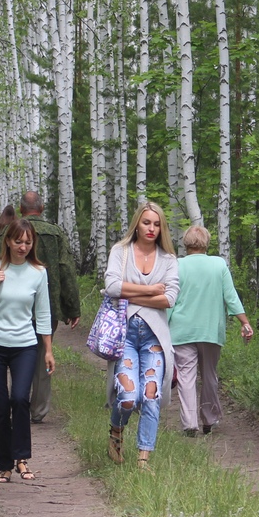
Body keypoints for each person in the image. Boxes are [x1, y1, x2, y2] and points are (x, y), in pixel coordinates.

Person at [0, 218, 54, 482]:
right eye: (18, 241)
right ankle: (4, 465)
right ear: (8, 241)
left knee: (20, 399)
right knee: (0, 405)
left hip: (25, 346)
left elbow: (43, 313)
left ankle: (22, 459)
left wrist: (48, 350)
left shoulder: (39, 272)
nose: (23, 246)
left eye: (28, 242)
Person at [104, 200, 179, 471]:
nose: (151, 228)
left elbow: (169, 298)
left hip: (154, 338)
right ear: (137, 224)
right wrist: (150, 291)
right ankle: (115, 431)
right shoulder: (121, 251)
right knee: (127, 396)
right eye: (147, 222)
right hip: (124, 335)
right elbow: (111, 286)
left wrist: (130, 293)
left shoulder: (168, 259)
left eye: (157, 224)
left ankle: (143, 460)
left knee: (151, 394)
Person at [168, 226, 253, 436]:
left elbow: (169, 301)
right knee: (209, 375)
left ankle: (189, 423)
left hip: (182, 330)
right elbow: (230, 297)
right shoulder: (218, 264)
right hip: (210, 330)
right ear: (206, 243)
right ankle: (209, 419)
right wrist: (245, 322)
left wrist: (161, 328)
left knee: (186, 377)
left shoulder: (176, 265)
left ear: (185, 243)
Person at [17, 191, 81, 424]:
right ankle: (39, 410)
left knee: (18, 353)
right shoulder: (55, 233)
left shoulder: (10, 232)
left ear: (21, 209)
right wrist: (72, 307)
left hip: (16, 305)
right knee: (44, 354)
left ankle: (19, 403)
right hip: (49, 306)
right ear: (42, 208)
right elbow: (65, 268)